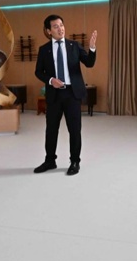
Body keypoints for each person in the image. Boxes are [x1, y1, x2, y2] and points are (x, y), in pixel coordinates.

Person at [34, 15, 97, 176]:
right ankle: (50, 161)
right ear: (49, 31)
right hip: (54, 94)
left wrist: (92, 48)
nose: (60, 28)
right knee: (51, 130)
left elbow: (89, 63)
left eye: (61, 25)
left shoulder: (74, 46)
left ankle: (75, 161)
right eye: (55, 26)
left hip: (72, 94)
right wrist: (50, 80)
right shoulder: (44, 50)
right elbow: (38, 72)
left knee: (74, 130)